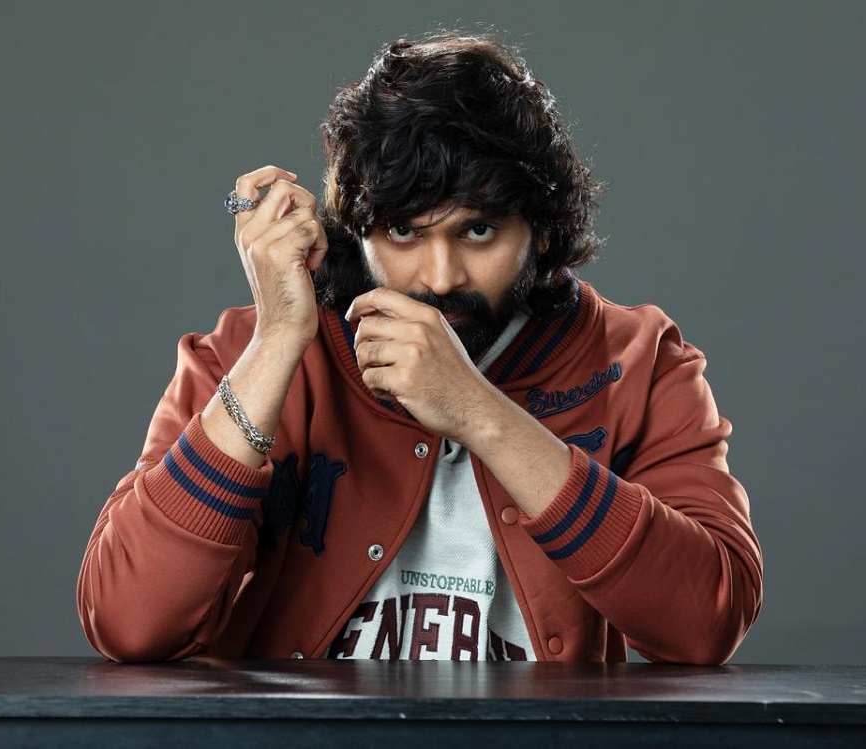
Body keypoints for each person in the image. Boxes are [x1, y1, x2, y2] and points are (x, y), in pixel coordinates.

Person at [77, 31, 762, 664]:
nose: (440, 277)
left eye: (479, 231)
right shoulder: (250, 354)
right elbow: (127, 623)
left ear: (544, 229)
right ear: (354, 229)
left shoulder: (637, 360)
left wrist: (477, 411)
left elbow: (707, 622)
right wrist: (279, 340)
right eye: (403, 233)